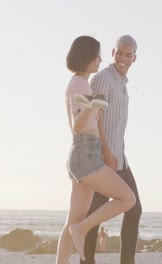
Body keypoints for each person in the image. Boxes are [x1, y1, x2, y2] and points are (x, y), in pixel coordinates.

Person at [55, 35, 136, 264]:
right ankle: (82, 230)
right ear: (87, 57)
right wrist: (92, 107)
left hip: (82, 154)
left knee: (72, 221)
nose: (100, 59)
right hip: (86, 153)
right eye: (98, 55)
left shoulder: (80, 83)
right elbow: (77, 125)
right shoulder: (79, 85)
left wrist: (92, 108)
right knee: (127, 199)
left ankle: (74, 239)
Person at [82, 35, 142, 264]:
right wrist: (106, 153)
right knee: (93, 215)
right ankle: (86, 261)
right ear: (112, 53)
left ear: (134, 58)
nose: (123, 59)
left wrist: (115, 154)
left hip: (119, 158)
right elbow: (93, 117)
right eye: (120, 53)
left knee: (133, 208)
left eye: (128, 55)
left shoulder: (122, 83)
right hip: (103, 158)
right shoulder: (103, 79)